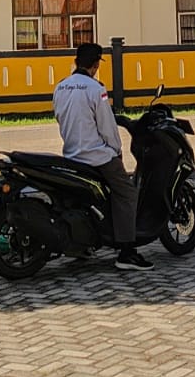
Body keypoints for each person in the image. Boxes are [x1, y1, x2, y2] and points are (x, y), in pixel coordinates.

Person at [52, 41, 152, 272]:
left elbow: (59, 117)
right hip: (96, 156)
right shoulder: (96, 89)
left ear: (76, 61)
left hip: (71, 154)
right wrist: (116, 151)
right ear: (96, 65)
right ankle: (127, 251)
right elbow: (107, 127)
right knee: (127, 193)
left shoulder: (61, 87)